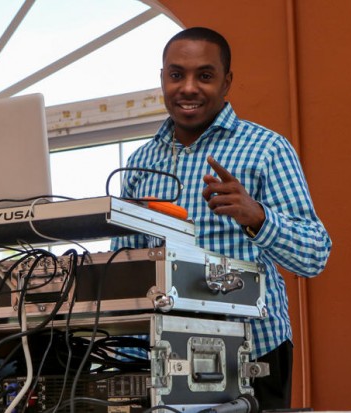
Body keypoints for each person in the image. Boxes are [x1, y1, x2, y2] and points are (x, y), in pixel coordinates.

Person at [112, 27, 332, 410]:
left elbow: (315, 255)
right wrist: (123, 357)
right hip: (161, 356)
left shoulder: (267, 149)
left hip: (254, 353)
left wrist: (258, 218)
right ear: (162, 78)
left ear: (226, 82)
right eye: (176, 75)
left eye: (205, 75)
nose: (188, 88)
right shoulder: (139, 163)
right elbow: (124, 267)